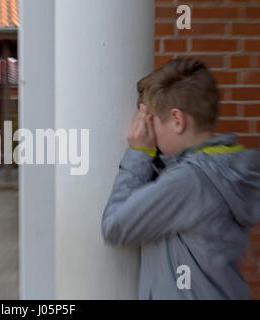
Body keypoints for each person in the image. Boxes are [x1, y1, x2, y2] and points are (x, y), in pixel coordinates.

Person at [101, 58, 260, 300]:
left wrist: (139, 154)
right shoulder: (223, 169)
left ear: (177, 120)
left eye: (151, 120)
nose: (148, 131)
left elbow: (115, 226)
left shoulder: (190, 181)